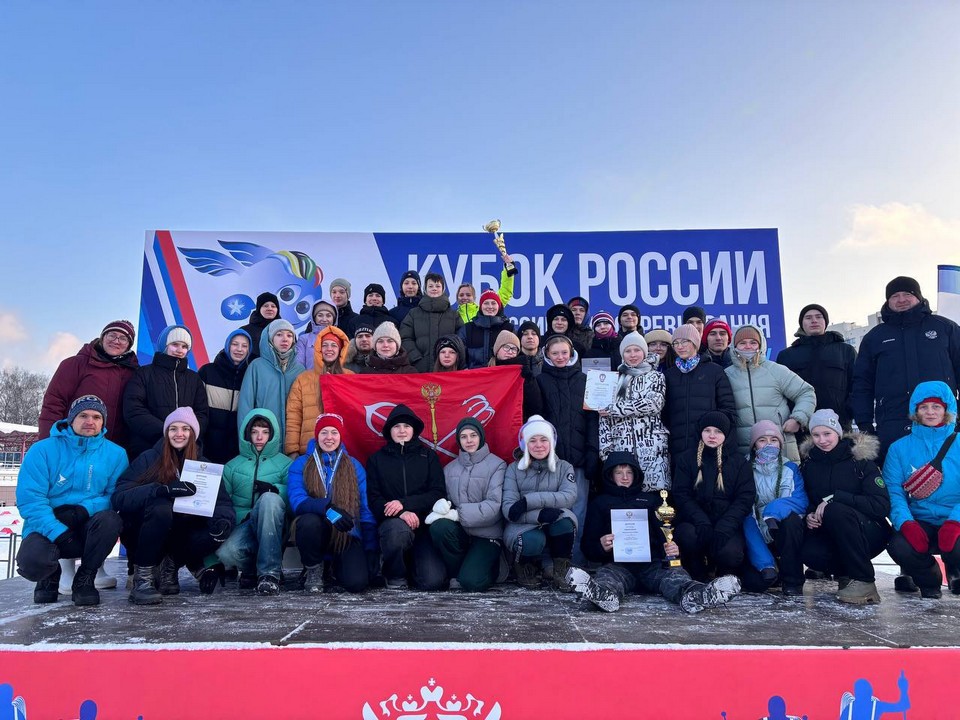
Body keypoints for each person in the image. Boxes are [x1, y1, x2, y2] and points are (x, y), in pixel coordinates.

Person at [566, 451, 741, 613]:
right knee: (607, 578)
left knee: (675, 576)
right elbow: (588, 547)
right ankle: (604, 596)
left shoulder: (651, 501)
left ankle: (695, 596)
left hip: (652, 564)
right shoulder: (599, 503)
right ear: (610, 475)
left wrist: (672, 548)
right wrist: (601, 546)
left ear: (636, 474)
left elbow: (666, 534)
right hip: (618, 565)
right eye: (619, 473)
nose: (625, 477)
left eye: (629, 472)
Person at [113, 407, 234, 604]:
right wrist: (159, 490)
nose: (179, 434)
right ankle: (142, 579)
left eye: (185, 429)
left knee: (211, 529)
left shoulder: (203, 465)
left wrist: (223, 521)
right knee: (161, 509)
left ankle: (169, 567)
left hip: (180, 534)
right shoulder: (149, 458)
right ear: (166, 432)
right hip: (146, 531)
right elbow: (120, 496)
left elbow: (222, 503)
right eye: (173, 429)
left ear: (193, 433)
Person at [16, 396, 126, 606]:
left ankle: (85, 579)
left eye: (96, 417)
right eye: (83, 415)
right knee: (31, 562)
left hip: (88, 523)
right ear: (71, 419)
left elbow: (116, 496)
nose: (90, 421)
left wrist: (85, 509)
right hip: (49, 523)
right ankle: (49, 575)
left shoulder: (116, 454)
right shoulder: (42, 450)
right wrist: (59, 533)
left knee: (111, 520)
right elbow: (31, 500)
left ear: (103, 422)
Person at [852, 276, 960, 461]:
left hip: (942, 420)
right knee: (897, 474)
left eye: (907, 294)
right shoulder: (874, 337)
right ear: (888, 301)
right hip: (893, 422)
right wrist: (864, 423)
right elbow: (862, 384)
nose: (901, 299)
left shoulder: (945, 328)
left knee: (948, 472)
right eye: (895, 296)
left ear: (918, 297)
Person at [799, 409, 890, 604]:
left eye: (827, 433)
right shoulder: (809, 465)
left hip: (869, 532)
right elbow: (807, 500)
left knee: (835, 510)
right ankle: (845, 575)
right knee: (810, 552)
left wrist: (837, 498)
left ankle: (864, 581)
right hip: (831, 532)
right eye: (816, 435)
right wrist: (809, 515)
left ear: (838, 433)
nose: (822, 440)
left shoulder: (860, 461)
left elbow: (881, 506)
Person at [884, 381, 960, 598]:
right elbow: (893, 491)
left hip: (954, 518)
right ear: (915, 411)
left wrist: (955, 522)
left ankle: (955, 568)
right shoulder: (899, 448)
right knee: (899, 545)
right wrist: (906, 523)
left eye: (936, 406)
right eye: (923, 407)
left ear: (947, 409)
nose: (930, 412)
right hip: (920, 519)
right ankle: (929, 578)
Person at [287, 413, 377, 593]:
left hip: (346, 532)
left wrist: (370, 549)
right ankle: (314, 569)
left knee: (357, 583)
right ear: (317, 436)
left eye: (334, 432)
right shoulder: (301, 464)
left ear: (340, 436)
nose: (329, 438)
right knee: (308, 522)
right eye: (324, 432)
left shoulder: (353, 465)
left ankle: (335, 567)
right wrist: (329, 510)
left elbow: (365, 508)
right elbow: (298, 501)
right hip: (317, 529)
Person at [365, 405, 446, 590]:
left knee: (432, 581)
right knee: (396, 533)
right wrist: (400, 513)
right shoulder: (376, 459)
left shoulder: (428, 456)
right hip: (393, 524)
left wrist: (405, 504)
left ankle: (412, 566)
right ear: (389, 430)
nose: (402, 430)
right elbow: (374, 499)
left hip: (423, 525)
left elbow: (438, 493)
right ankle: (394, 573)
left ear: (413, 430)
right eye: (397, 426)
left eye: (406, 426)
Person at [536, 334, 599, 564]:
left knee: (579, 510)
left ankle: (576, 560)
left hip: (579, 458)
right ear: (547, 355)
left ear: (571, 353)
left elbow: (592, 420)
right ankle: (549, 561)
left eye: (564, 352)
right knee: (550, 508)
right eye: (555, 353)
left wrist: (592, 452)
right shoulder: (540, 381)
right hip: (551, 460)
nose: (560, 357)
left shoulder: (585, 380)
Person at [672, 411, 755, 582]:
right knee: (686, 536)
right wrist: (700, 520)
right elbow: (681, 494)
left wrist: (725, 526)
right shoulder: (687, 459)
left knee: (731, 553)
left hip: (726, 523)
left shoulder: (739, 462)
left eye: (718, 431)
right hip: (696, 522)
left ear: (727, 434)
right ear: (700, 432)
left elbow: (744, 498)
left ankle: (723, 572)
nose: (712, 435)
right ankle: (696, 568)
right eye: (707, 430)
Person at [217, 409, 292, 595]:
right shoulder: (232, 466)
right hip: (245, 525)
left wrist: (275, 489)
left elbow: (294, 496)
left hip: (275, 525)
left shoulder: (285, 464)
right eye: (254, 432)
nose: (259, 437)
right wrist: (236, 519)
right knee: (226, 552)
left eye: (265, 432)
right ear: (247, 433)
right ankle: (253, 569)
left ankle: (270, 574)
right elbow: (224, 502)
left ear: (272, 435)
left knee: (269, 499)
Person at [428, 418, 507, 592]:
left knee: (473, 582)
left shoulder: (497, 465)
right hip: (461, 534)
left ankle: (492, 567)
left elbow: (494, 506)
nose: (469, 440)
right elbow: (447, 500)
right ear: (459, 440)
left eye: (473, 435)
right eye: (464, 437)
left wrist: (458, 514)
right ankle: (458, 572)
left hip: (487, 535)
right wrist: (442, 507)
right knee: (439, 527)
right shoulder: (449, 469)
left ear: (481, 437)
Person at [502, 415, 578, 590]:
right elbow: (510, 509)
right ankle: (526, 568)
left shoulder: (564, 467)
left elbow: (568, 496)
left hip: (554, 517)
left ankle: (561, 571)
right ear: (525, 444)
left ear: (552, 442)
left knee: (565, 523)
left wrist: (528, 501)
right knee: (532, 540)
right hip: (522, 525)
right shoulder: (513, 469)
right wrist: (538, 515)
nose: (538, 445)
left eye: (544, 440)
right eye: (532, 440)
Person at [39, 319, 139, 448]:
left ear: (129, 345)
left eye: (123, 338)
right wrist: (50, 442)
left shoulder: (134, 373)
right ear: (103, 337)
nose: (116, 341)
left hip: (113, 449)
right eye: (112, 335)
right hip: (73, 445)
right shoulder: (75, 364)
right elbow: (53, 403)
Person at [725, 324, 816, 461]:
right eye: (742, 343)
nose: (748, 346)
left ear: (760, 345)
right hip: (743, 452)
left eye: (753, 342)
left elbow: (806, 392)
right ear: (734, 346)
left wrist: (798, 418)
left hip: (781, 448)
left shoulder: (776, 371)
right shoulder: (727, 375)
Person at [122, 324, 209, 460]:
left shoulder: (194, 378)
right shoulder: (143, 373)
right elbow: (134, 409)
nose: (179, 350)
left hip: (186, 449)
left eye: (184, 346)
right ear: (164, 345)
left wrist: (185, 435)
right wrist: (167, 432)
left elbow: (202, 413)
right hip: (148, 447)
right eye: (175, 344)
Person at [740, 420, 807, 595]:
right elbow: (745, 512)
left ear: (780, 444)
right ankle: (769, 565)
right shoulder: (744, 468)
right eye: (762, 440)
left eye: (774, 440)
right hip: (755, 532)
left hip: (779, 528)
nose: (769, 444)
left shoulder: (790, 468)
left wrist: (773, 512)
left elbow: (799, 500)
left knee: (792, 521)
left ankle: (792, 581)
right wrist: (765, 563)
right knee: (756, 583)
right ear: (754, 445)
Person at [598, 331, 670, 491]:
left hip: (652, 449)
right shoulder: (614, 380)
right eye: (628, 351)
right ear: (622, 354)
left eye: (637, 350)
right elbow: (603, 417)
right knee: (625, 495)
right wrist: (606, 452)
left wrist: (616, 409)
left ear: (644, 352)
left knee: (655, 499)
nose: (632, 355)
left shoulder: (656, 377)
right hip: (621, 450)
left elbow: (654, 403)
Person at [776, 303, 857, 436]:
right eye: (808, 318)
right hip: (800, 426)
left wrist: (848, 411)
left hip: (838, 423)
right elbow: (780, 391)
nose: (814, 321)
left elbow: (857, 384)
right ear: (802, 324)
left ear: (825, 321)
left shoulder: (845, 351)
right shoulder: (787, 355)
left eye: (819, 317)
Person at [661, 324, 736, 462]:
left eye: (685, 341)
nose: (680, 346)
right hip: (677, 449)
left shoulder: (714, 371)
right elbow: (664, 414)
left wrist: (715, 435)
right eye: (676, 343)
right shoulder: (668, 375)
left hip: (709, 448)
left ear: (695, 343)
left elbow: (728, 409)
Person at [285, 325, 352, 457]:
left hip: (342, 451)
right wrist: (292, 450)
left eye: (334, 345)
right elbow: (294, 416)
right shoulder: (303, 379)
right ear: (318, 349)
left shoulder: (350, 377)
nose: (329, 349)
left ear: (340, 350)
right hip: (308, 450)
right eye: (325, 345)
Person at [238, 319, 306, 447]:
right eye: (279, 334)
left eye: (289, 335)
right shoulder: (256, 367)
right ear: (270, 339)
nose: (285, 339)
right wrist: (247, 442)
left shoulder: (300, 370)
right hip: (261, 443)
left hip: (291, 445)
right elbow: (245, 406)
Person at [198, 329, 252, 465]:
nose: (239, 349)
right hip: (207, 450)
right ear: (227, 346)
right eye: (235, 344)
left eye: (244, 346)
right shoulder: (207, 372)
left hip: (236, 453)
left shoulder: (249, 376)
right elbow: (197, 409)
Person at [400, 272, 463, 373]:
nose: (434, 289)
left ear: (443, 289)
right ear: (425, 289)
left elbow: (461, 339)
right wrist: (416, 358)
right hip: (419, 370)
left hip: (448, 370)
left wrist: (451, 358)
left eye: (438, 286)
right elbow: (405, 338)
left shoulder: (453, 315)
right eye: (430, 286)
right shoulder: (413, 313)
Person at [490, 329, 543, 420]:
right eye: (506, 347)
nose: (510, 351)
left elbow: (536, 405)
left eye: (514, 349)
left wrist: (528, 379)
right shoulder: (486, 372)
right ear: (497, 350)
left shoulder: (523, 372)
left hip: (516, 422)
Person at [459, 290, 515, 368]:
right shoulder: (467, 328)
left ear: (499, 306)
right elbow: (459, 355)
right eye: (486, 303)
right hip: (474, 374)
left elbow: (515, 354)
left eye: (493, 303)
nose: (490, 307)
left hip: (501, 374)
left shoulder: (508, 328)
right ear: (481, 307)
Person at [294, 300, 337, 370]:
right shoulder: (304, 339)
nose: (324, 319)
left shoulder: (340, 338)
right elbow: (299, 365)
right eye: (320, 315)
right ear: (314, 318)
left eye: (328, 316)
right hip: (309, 377)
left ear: (334, 318)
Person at [240, 291, 281, 360]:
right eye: (265, 306)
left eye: (273, 306)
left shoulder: (286, 330)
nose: (270, 309)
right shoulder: (245, 331)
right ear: (259, 309)